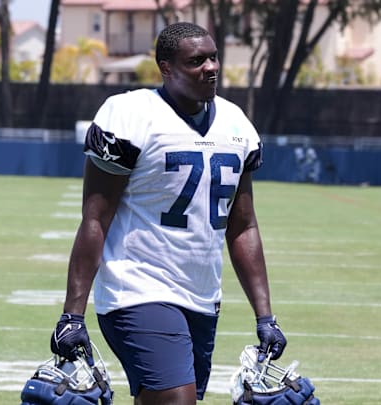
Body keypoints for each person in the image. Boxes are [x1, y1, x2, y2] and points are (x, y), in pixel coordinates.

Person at [50, 22, 287, 405]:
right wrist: (72, 315)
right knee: (178, 401)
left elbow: (242, 226)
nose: (210, 67)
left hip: (202, 295)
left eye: (213, 57)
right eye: (196, 61)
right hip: (137, 289)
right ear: (166, 67)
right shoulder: (129, 114)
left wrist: (266, 316)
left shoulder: (237, 124)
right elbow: (95, 219)